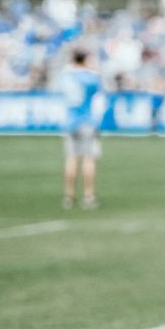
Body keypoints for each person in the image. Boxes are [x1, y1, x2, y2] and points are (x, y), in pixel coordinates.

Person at [60, 47, 104, 209]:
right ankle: (88, 195)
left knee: (71, 158)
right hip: (87, 121)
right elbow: (98, 98)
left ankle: (69, 196)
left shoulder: (66, 77)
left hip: (70, 121)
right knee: (88, 159)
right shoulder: (91, 79)